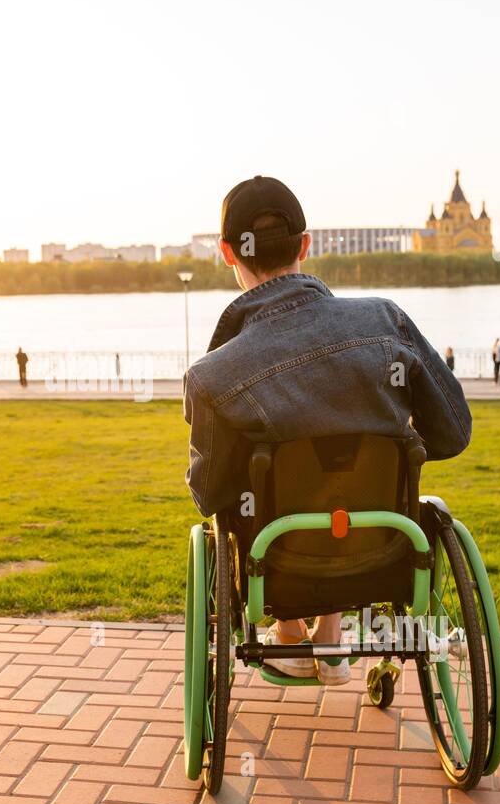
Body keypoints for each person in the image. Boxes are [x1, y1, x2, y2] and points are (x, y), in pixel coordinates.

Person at [184, 176, 471, 685]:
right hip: (385, 543)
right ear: (306, 245)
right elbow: (451, 433)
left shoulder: (212, 375)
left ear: (228, 253)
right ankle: (330, 633)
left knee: (246, 477)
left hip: (280, 557)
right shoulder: (386, 320)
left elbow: (210, 495)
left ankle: (292, 631)